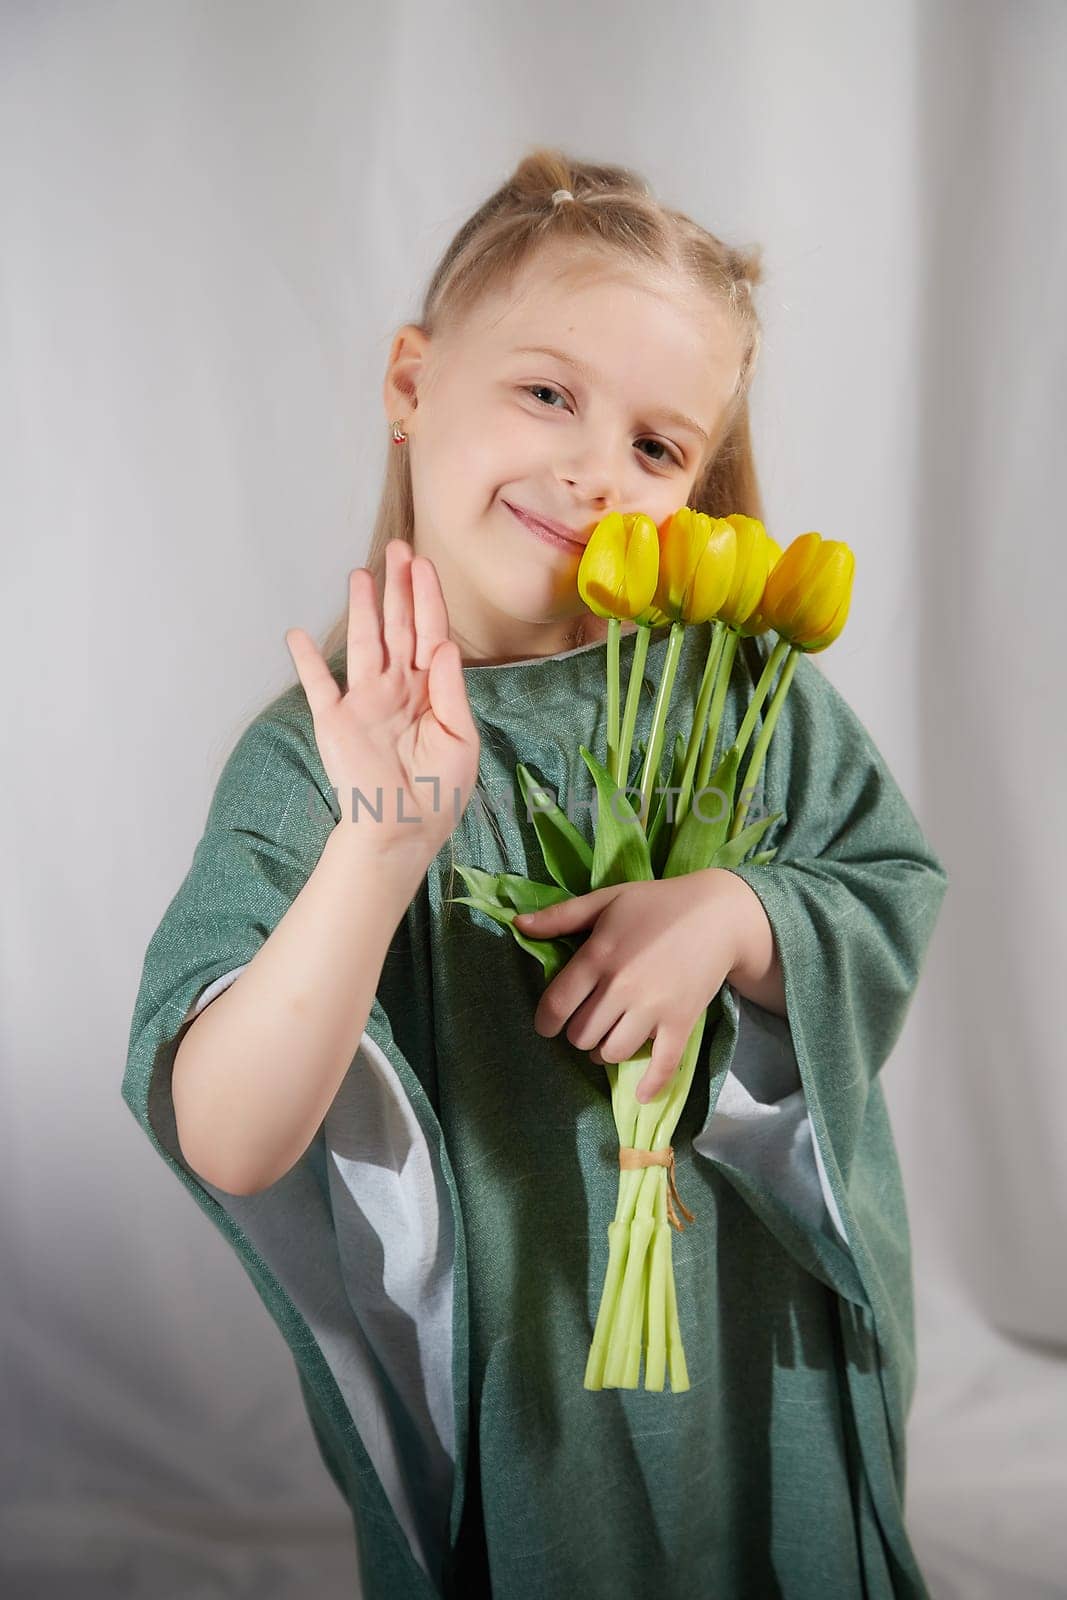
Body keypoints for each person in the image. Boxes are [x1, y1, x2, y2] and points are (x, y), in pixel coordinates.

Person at [122, 147, 949, 1600]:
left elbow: (887, 878)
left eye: (656, 446)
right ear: (409, 381)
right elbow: (232, 1135)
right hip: (535, 1375)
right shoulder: (319, 758)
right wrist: (380, 847)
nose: (592, 469)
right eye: (550, 392)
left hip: (761, 1363)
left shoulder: (738, 688)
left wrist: (744, 915)